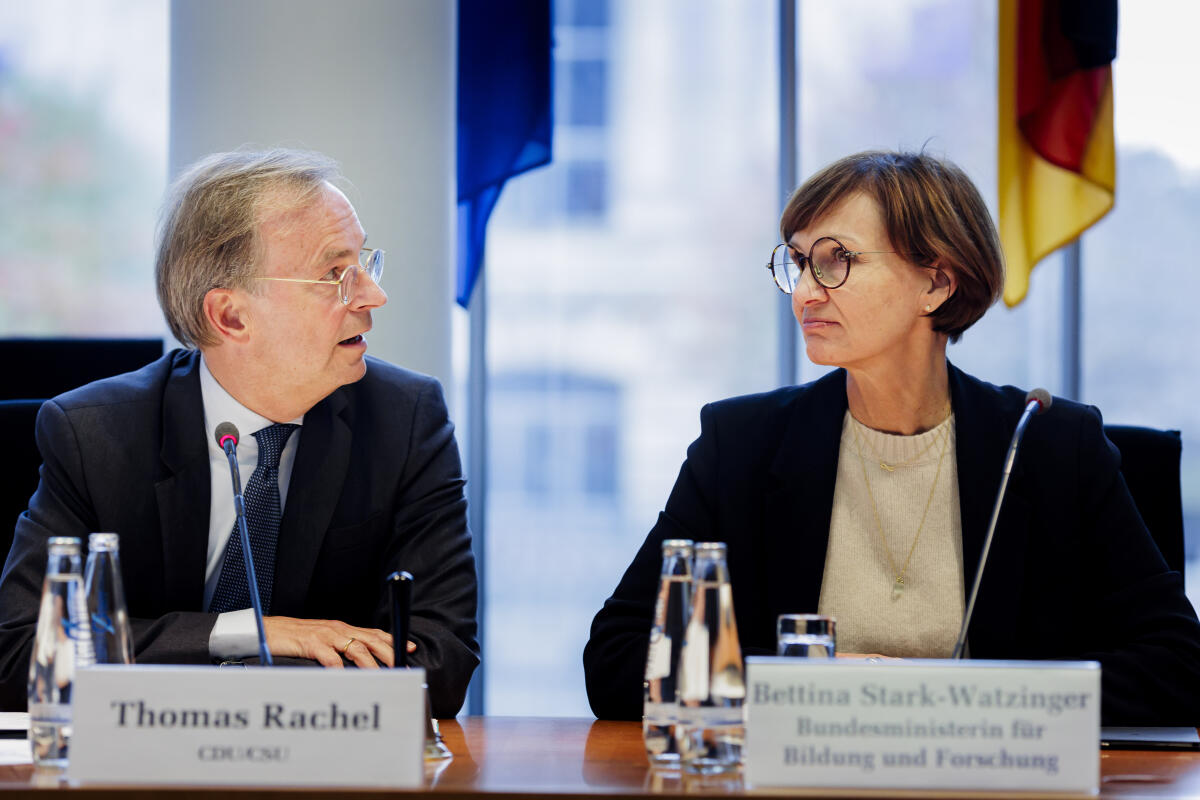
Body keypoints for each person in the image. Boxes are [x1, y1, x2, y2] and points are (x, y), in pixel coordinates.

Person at [583, 150, 1200, 725]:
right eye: (798, 262)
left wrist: (938, 700)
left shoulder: (1049, 448)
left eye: (836, 260)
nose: (803, 292)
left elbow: (1178, 664)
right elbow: (616, 659)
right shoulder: (741, 444)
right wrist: (807, 687)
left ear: (936, 283)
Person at [0, 149, 478, 717]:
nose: (373, 297)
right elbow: (23, 655)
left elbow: (439, 663)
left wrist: (228, 697)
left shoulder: (406, 421)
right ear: (230, 317)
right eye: (334, 275)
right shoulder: (96, 435)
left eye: (364, 265)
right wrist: (250, 634)